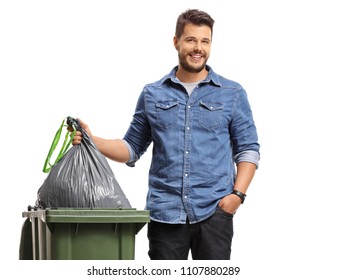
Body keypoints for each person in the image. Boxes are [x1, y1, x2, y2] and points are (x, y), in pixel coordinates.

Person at [71, 9, 260, 260]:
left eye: (205, 41)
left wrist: (237, 196)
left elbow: (248, 149)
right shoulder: (152, 94)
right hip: (165, 215)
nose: (198, 48)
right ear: (176, 42)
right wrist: (91, 140)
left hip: (215, 211)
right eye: (191, 40)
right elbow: (131, 148)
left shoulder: (232, 93)